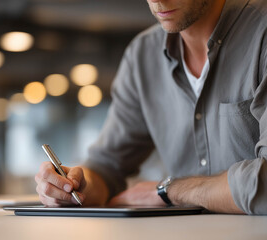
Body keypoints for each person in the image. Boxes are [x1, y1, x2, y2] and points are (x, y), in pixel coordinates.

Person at [35, 0, 267, 215]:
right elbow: (106, 168)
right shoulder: (142, 56)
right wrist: (74, 187)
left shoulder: (261, 32)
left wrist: (171, 191)